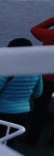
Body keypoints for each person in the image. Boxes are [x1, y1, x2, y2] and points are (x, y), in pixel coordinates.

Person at [0, 38, 43, 142]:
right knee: (11, 142)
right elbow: (38, 93)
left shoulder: (5, 67)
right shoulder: (35, 69)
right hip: (21, 113)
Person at [27, 17, 54, 145]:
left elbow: (34, 29)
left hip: (47, 78)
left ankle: (33, 138)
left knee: (40, 109)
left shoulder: (50, 36)